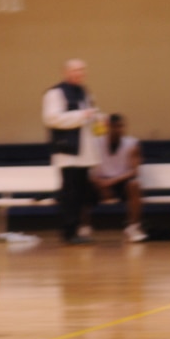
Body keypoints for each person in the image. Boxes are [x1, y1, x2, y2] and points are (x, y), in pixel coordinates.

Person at [42, 59, 101, 244]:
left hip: (84, 152)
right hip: (68, 152)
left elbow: (89, 115)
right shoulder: (55, 93)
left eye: (82, 70)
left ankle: (77, 229)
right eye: (75, 70)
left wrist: (99, 119)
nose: (79, 73)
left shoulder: (84, 91)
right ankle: (68, 232)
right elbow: (52, 119)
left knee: (82, 194)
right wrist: (82, 116)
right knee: (70, 194)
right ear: (66, 72)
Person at [86, 114, 148, 243]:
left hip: (120, 182)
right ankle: (84, 228)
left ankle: (133, 227)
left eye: (120, 126)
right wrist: (100, 183)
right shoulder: (94, 143)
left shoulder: (132, 144)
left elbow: (134, 172)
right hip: (100, 182)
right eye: (114, 126)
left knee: (134, 185)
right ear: (107, 127)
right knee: (81, 184)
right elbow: (87, 171)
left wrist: (110, 182)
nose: (117, 129)